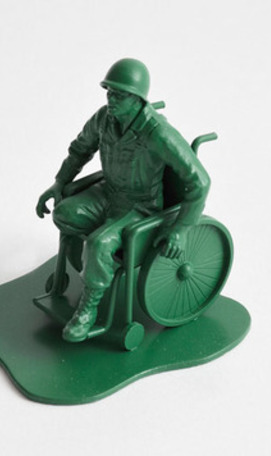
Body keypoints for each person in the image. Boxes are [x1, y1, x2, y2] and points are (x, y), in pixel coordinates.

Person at [36, 58, 210, 342]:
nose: (111, 99)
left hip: (140, 207)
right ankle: (93, 267)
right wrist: (60, 182)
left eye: (119, 95)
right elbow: (80, 149)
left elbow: (200, 182)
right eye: (109, 92)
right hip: (107, 192)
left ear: (137, 99)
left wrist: (180, 229)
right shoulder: (104, 118)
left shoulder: (158, 133)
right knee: (65, 213)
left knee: (100, 242)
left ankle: (88, 308)